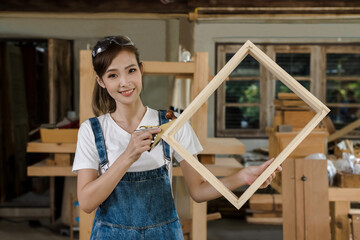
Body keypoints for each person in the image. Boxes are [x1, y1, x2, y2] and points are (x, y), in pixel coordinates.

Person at [72, 35, 281, 240]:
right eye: (113, 75)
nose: (125, 82)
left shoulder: (173, 123)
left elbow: (198, 191)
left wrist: (242, 177)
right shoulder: (92, 130)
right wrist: (128, 155)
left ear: (141, 70)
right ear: (101, 81)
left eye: (131, 70)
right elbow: (87, 203)